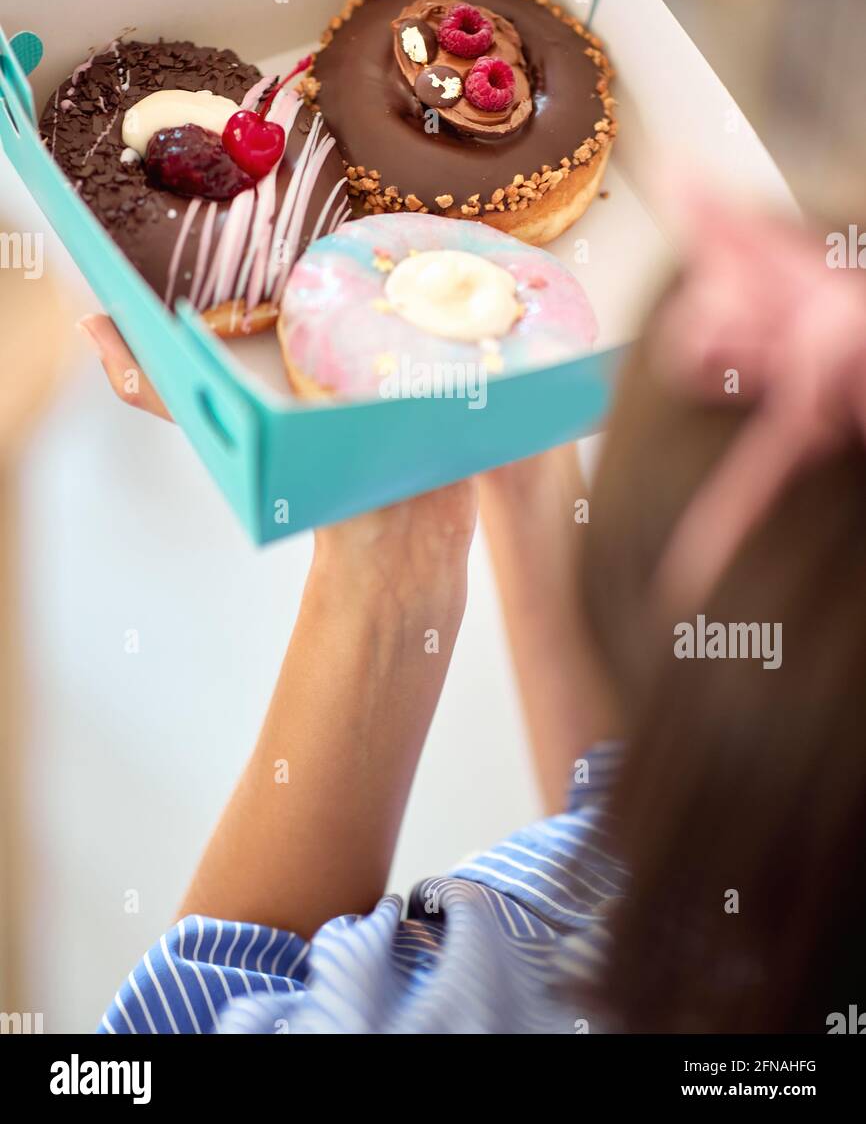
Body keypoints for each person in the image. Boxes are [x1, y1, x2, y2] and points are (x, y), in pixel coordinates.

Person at [80, 202, 866, 1034]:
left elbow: (197, 1015)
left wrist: (376, 572)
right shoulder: (775, 879)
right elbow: (646, 823)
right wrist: (519, 441)